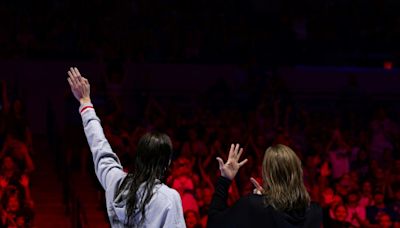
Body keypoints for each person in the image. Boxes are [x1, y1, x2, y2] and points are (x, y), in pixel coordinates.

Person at [66, 67, 185, 227]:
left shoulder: (117, 183)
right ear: (166, 165)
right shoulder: (169, 198)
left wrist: (86, 103)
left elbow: (99, 146)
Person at [208, 144, 322, 227]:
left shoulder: (251, 205)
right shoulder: (315, 212)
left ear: (267, 174)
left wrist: (224, 180)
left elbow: (214, 223)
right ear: (298, 171)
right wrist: (266, 200)